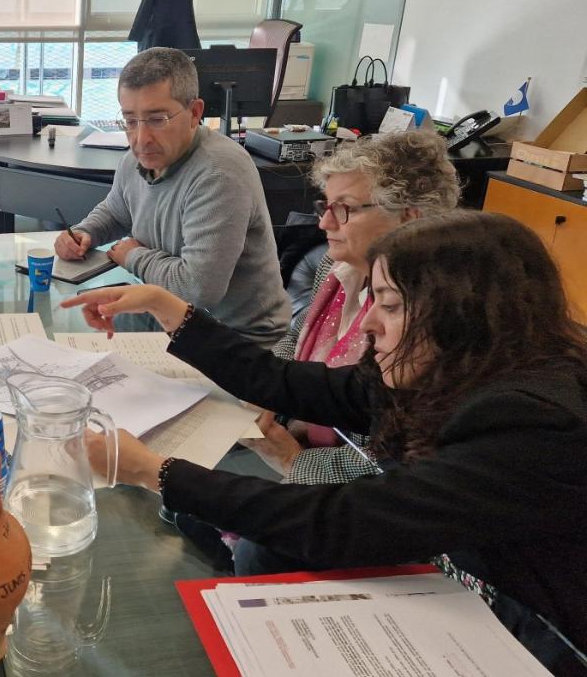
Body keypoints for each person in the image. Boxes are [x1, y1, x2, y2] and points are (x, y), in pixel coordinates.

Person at [63, 212, 587, 670]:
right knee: (264, 551)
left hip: (535, 633)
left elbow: (342, 522)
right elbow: (283, 381)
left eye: (392, 306)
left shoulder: (532, 423)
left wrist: (149, 470)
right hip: (463, 586)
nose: (370, 327)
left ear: (464, 317)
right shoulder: (449, 370)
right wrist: (165, 305)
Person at [249, 130, 460, 483]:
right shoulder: (337, 269)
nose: (324, 223)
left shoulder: (431, 316)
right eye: (326, 207)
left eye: (344, 209)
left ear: (409, 217)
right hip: (303, 449)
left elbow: (394, 454)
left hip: (362, 497)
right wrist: (266, 391)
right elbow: (296, 337)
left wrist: (293, 463)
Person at [55, 47, 288, 346]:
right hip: (169, 317)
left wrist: (133, 256)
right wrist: (84, 233)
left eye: (157, 119)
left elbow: (196, 288)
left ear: (194, 113)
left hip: (235, 338)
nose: (140, 139)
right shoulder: (138, 157)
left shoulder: (219, 174)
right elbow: (117, 211)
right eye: (130, 120)